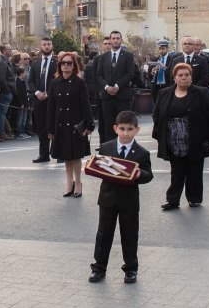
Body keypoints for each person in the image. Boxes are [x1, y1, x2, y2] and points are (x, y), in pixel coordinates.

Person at [89, 110, 153, 284]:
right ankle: (99, 268)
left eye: (130, 129)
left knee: (130, 235)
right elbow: (99, 167)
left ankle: (131, 269)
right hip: (107, 199)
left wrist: (140, 174)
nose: (126, 133)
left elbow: (149, 174)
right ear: (115, 128)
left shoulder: (142, 153)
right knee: (103, 234)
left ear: (137, 130)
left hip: (129, 201)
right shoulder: (106, 147)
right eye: (122, 129)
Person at [152, 62, 209, 210]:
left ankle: (194, 198)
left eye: (187, 75)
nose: (184, 78)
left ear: (191, 77)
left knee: (194, 171)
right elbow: (157, 114)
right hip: (173, 139)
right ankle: (172, 200)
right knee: (176, 172)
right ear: (174, 78)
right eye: (180, 75)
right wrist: (160, 135)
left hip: (196, 138)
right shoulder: (164, 93)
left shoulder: (201, 93)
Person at [47, 52, 95, 198]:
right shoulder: (54, 83)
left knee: (75, 156)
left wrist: (89, 124)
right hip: (60, 123)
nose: (66, 65)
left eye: (69, 63)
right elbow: (50, 107)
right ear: (59, 65)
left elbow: (85, 104)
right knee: (66, 156)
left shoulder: (79, 82)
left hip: (75, 123)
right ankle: (69, 183)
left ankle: (78, 183)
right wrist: (50, 129)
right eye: (63, 63)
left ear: (74, 65)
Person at [94, 31, 136, 144]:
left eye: (118, 38)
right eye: (113, 38)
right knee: (109, 126)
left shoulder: (128, 56)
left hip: (122, 96)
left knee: (124, 125)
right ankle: (110, 153)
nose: (115, 40)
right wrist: (107, 87)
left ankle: (124, 151)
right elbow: (98, 75)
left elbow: (130, 73)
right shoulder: (103, 57)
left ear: (121, 40)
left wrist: (117, 86)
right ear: (110, 40)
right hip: (107, 97)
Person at [29, 36, 56, 162]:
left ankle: (58, 153)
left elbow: (58, 81)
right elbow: (31, 81)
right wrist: (37, 92)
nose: (46, 46)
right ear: (40, 46)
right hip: (39, 101)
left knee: (55, 127)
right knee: (41, 128)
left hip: (53, 100)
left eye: (48, 44)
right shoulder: (35, 63)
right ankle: (43, 154)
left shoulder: (57, 63)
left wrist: (49, 94)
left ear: (52, 46)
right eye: (44, 44)